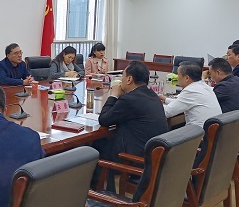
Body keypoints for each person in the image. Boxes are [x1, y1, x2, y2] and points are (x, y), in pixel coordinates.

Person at [93, 61, 169, 190]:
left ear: (129, 79)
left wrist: (114, 95)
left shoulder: (129, 100)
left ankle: (98, 192)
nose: (121, 81)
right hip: (153, 157)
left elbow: (104, 120)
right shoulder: (153, 96)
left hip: (136, 160)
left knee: (96, 145)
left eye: (122, 77)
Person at [159, 61, 222, 127]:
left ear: (186, 78)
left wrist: (154, 103)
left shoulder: (190, 91)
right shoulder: (204, 86)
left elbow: (166, 112)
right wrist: (166, 100)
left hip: (198, 132)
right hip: (209, 130)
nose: (177, 78)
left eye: (178, 75)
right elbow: (182, 102)